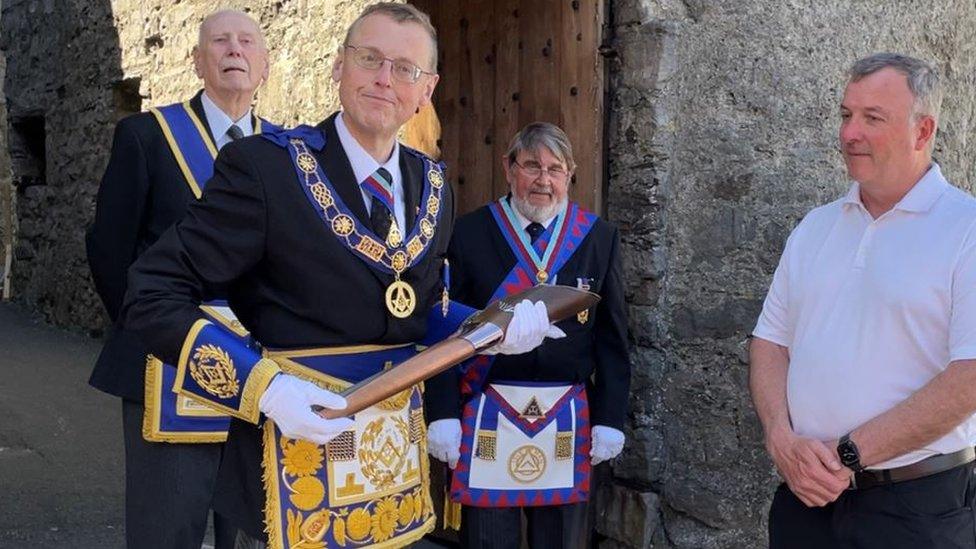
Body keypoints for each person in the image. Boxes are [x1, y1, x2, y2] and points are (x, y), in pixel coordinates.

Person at [119, 4, 560, 548]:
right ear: (338, 66)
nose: (383, 79)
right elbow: (152, 292)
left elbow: (418, 312)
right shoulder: (265, 168)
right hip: (291, 465)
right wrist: (265, 388)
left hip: (390, 473)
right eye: (368, 58)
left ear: (427, 89)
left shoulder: (435, 183)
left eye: (405, 69)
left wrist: (494, 330)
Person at [751, 52, 976, 549]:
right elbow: (769, 343)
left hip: (915, 508)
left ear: (923, 131)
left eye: (873, 118)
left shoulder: (967, 229)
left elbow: (970, 377)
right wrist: (780, 439)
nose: (850, 133)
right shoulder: (816, 226)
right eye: (846, 115)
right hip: (805, 500)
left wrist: (849, 453)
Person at [86, 9, 272, 549]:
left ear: (263, 64)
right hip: (166, 363)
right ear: (197, 60)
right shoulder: (147, 136)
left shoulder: (288, 151)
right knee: (167, 529)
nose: (234, 49)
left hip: (262, 367)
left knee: (253, 525)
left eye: (246, 41)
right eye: (219, 40)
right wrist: (148, 328)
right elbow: (109, 247)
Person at [425, 122, 631, 548]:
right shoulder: (468, 233)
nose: (543, 180)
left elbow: (613, 339)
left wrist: (610, 418)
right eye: (532, 166)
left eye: (556, 169)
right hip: (486, 416)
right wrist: (442, 410)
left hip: (567, 423)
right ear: (508, 168)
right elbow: (444, 328)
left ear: (570, 174)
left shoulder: (599, 238)